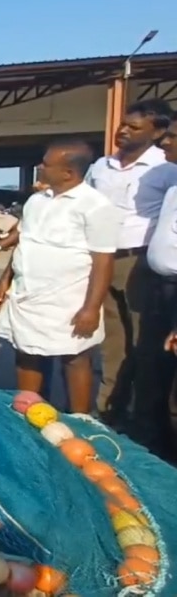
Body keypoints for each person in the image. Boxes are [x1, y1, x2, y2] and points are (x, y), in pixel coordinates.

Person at [0, 140, 118, 415]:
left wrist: (91, 308)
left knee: (74, 356)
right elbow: (25, 241)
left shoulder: (95, 205)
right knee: (26, 351)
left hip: (69, 297)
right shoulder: (36, 201)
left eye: (46, 164)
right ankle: (31, 411)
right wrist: (6, 279)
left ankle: (80, 418)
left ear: (68, 173)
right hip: (28, 293)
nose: (39, 167)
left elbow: (103, 260)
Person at [87, 99, 177, 421]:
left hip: (138, 263)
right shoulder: (101, 166)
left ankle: (146, 420)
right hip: (103, 259)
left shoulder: (166, 168)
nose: (123, 131)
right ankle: (110, 409)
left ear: (156, 132)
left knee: (145, 346)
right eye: (123, 124)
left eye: (134, 127)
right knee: (113, 343)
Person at [132, 127, 177, 458]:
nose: (164, 141)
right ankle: (156, 445)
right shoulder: (172, 183)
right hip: (160, 289)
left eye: (174, 136)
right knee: (152, 367)